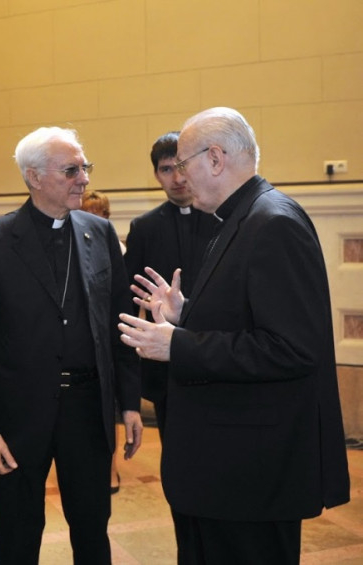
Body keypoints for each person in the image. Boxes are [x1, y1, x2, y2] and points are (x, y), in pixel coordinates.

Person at [118, 107, 350, 564]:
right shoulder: (243, 215)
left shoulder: (273, 222)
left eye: (184, 163)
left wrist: (176, 344)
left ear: (215, 158)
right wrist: (186, 314)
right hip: (228, 468)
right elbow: (247, 317)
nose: (180, 176)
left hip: (250, 474)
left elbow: (291, 349)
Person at [0, 126, 143, 564]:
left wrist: (130, 403)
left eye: (85, 167)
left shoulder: (101, 232)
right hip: (18, 414)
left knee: (92, 532)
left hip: (88, 408)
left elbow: (119, 324)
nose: (84, 179)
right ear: (34, 177)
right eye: (71, 170)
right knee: (17, 536)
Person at [122, 132, 214, 439]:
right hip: (166, 364)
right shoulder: (144, 227)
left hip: (214, 354)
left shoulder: (222, 219)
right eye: (166, 169)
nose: (177, 178)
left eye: (181, 166)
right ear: (156, 175)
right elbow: (128, 299)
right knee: (173, 449)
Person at [80, 189, 126, 495]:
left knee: (112, 407)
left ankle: (111, 467)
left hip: (111, 335)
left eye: (102, 213)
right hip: (84, 338)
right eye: (90, 212)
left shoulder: (116, 245)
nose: (97, 218)